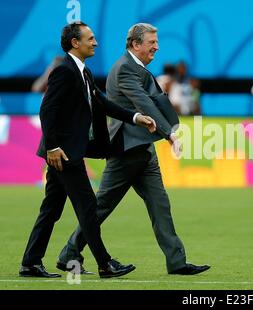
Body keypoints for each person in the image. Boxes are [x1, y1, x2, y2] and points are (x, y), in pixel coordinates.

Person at [58, 23, 210, 275]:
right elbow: (144, 105)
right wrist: (169, 133)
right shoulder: (124, 70)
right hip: (126, 149)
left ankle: (177, 262)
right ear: (136, 44)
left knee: (160, 204)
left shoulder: (135, 68)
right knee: (101, 206)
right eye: (152, 42)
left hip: (143, 148)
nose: (157, 47)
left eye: (156, 42)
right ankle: (70, 253)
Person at [19, 21, 157, 278]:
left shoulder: (83, 72)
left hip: (66, 152)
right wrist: (53, 147)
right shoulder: (64, 71)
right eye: (90, 38)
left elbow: (103, 104)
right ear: (75, 43)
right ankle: (105, 263)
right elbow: (47, 110)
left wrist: (136, 117)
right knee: (88, 208)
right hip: (63, 153)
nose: (95, 42)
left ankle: (30, 262)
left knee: (51, 209)